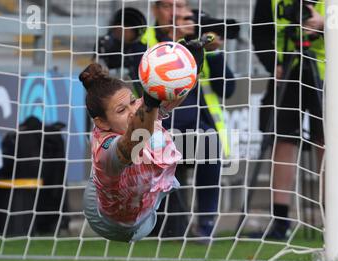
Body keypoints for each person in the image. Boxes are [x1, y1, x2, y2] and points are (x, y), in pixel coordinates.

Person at [98, 0, 236, 239]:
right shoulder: (143, 39)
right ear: (155, 10)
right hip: (153, 133)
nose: (175, 12)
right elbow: (113, 60)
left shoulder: (200, 40)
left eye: (180, 6)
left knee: (209, 143)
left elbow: (229, 89)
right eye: (168, 6)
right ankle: (145, 221)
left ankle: (205, 226)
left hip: (193, 130)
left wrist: (211, 53)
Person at [251, 0, 338, 239]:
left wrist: (324, 24)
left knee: (328, 144)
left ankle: (336, 222)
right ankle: (280, 222)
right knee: (283, 141)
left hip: (329, 76)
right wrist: (273, 64)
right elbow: (259, 33)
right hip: (288, 72)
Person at [81, 36, 209, 242]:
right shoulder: (105, 149)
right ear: (102, 123)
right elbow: (134, 140)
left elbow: (168, 97)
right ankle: (101, 179)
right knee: (148, 133)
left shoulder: (140, 109)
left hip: (145, 212)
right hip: (106, 220)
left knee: (155, 127)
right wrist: (150, 102)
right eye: (121, 110)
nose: (133, 111)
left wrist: (188, 67)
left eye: (133, 101)